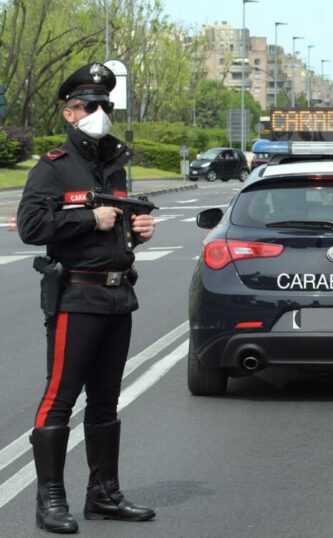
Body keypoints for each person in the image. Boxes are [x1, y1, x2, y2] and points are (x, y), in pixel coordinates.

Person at [17, 63, 157, 533]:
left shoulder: (114, 164)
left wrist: (138, 232)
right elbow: (33, 227)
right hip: (76, 295)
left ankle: (103, 494)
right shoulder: (53, 168)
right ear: (70, 113)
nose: (99, 113)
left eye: (105, 106)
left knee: (105, 402)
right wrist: (87, 220)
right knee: (60, 398)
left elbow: (119, 231)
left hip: (119, 298)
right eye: (90, 106)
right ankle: (50, 502)